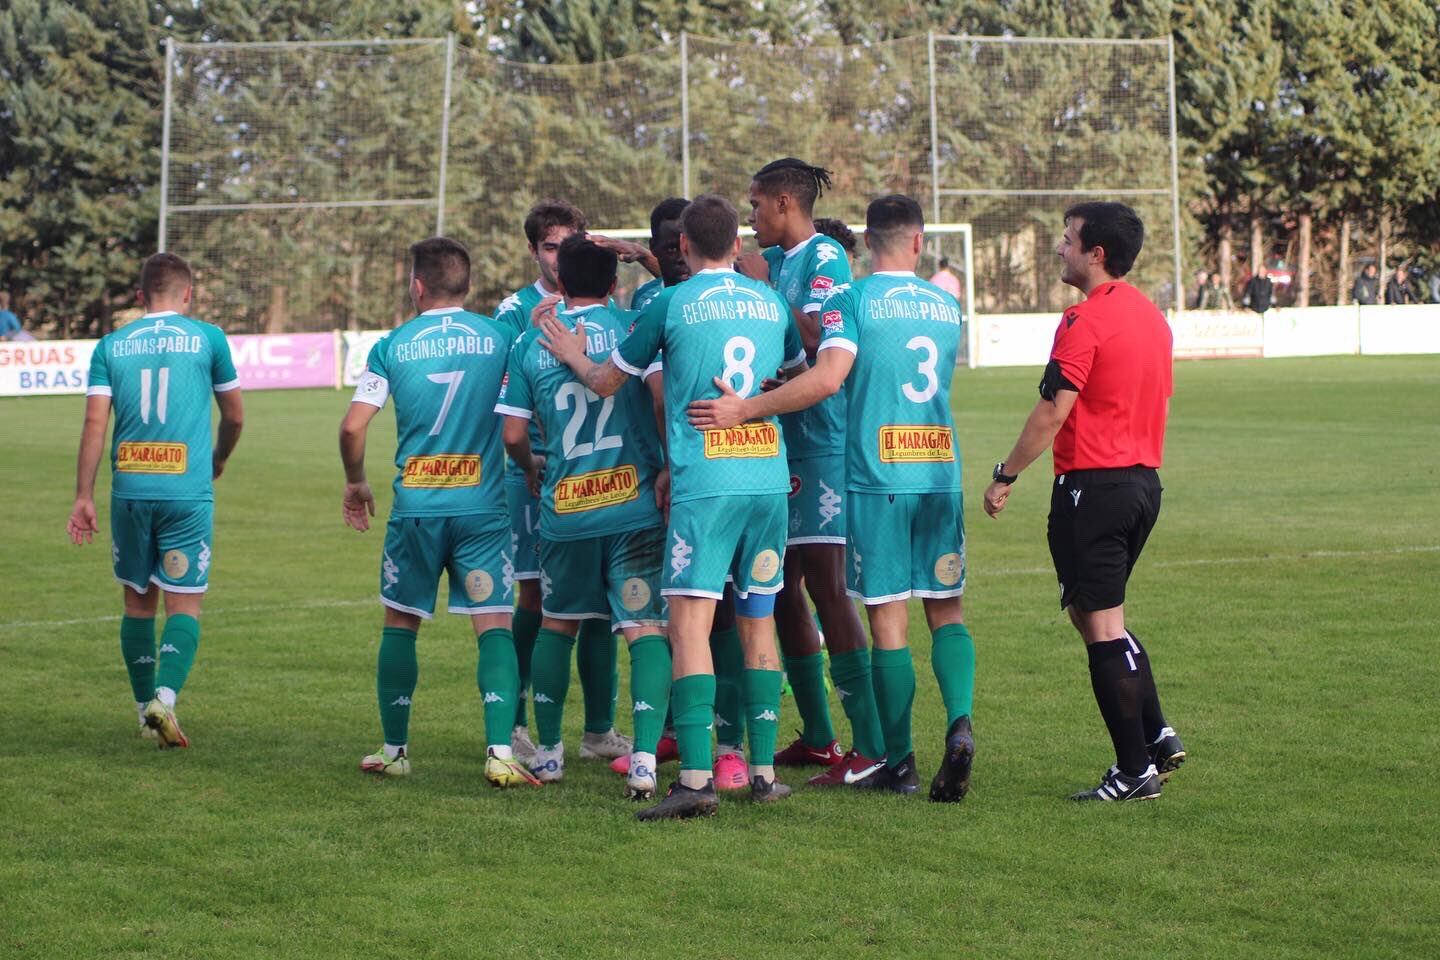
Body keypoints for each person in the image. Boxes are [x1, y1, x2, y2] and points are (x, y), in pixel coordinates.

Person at [689, 195, 975, 798]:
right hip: (940, 474)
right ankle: (959, 722)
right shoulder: (946, 305)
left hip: (879, 475)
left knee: (889, 622)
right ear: (920, 242)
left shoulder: (853, 299)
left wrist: (748, 409)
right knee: (946, 610)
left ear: (867, 242)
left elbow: (831, 375)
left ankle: (896, 761)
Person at [538, 194, 804, 820]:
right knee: (757, 618)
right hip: (766, 475)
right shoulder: (770, 302)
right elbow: (794, 373)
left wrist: (571, 354)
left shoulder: (671, 303)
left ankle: (693, 778)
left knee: (688, 622)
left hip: (705, 480)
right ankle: (761, 772)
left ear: (681, 248)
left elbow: (607, 381)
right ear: (737, 248)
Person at [981, 201, 1185, 803]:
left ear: (1096, 253)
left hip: (1093, 487)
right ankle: (1157, 734)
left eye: (1068, 240)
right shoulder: (1152, 317)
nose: (1060, 249)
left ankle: (1133, 772)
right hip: (1142, 483)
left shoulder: (1083, 320)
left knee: (1100, 628)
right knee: (1097, 617)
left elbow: (1052, 409)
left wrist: (1005, 474)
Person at [340, 237, 538, 787]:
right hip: (482, 508)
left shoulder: (393, 344)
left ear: (417, 286)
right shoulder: (501, 336)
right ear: (467, 285)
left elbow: (353, 425)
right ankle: (500, 750)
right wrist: (527, 463)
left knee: (401, 624)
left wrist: (357, 482)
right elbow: (515, 424)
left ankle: (395, 750)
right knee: (494, 625)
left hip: (417, 511)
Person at [496, 235, 671, 796]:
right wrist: (666, 464)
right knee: (644, 628)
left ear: (562, 284)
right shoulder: (633, 330)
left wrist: (534, 466)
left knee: (558, 623)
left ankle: (548, 755)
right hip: (633, 506)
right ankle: (644, 759)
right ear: (615, 286)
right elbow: (663, 399)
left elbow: (513, 434)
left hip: (566, 510)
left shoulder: (530, 342)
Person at [67, 252, 245, 748]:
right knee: (184, 603)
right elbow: (234, 416)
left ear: (140, 296)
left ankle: (141, 707)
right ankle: (164, 698)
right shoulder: (208, 338)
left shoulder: (111, 345)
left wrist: (83, 495)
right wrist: (219, 457)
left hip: (130, 490)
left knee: (137, 602)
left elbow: (94, 424)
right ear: (188, 293)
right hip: (185, 490)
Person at [736, 157, 876, 776]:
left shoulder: (824, 259)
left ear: (785, 203)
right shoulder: (781, 264)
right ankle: (820, 736)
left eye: (757, 205)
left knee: (827, 582)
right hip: (780, 443)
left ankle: (870, 745)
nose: (751, 216)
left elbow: (819, 338)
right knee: (780, 583)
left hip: (821, 443)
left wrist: (761, 286)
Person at [492, 200, 630, 766]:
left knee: (597, 604)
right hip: (534, 476)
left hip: (594, 475)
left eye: (569, 245)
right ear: (534, 251)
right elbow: (504, 402)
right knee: (536, 597)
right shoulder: (515, 313)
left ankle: (598, 730)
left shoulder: (606, 310)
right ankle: (520, 722)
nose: (559, 256)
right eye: (550, 246)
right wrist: (529, 463)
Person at [628, 197, 691, 312]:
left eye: (688, 248)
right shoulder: (644, 298)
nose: (682, 258)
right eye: (672, 249)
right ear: (653, 247)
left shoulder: (719, 295)